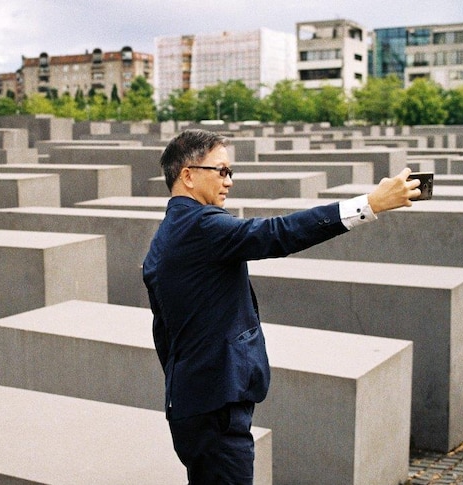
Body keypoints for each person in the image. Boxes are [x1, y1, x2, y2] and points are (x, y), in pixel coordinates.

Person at [142, 129, 420, 484]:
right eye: (222, 171)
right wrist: (370, 204)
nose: (229, 181)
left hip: (193, 404)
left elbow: (164, 333)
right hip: (214, 410)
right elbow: (277, 232)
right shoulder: (201, 226)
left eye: (231, 172)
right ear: (188, 175)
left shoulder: (167, 233)